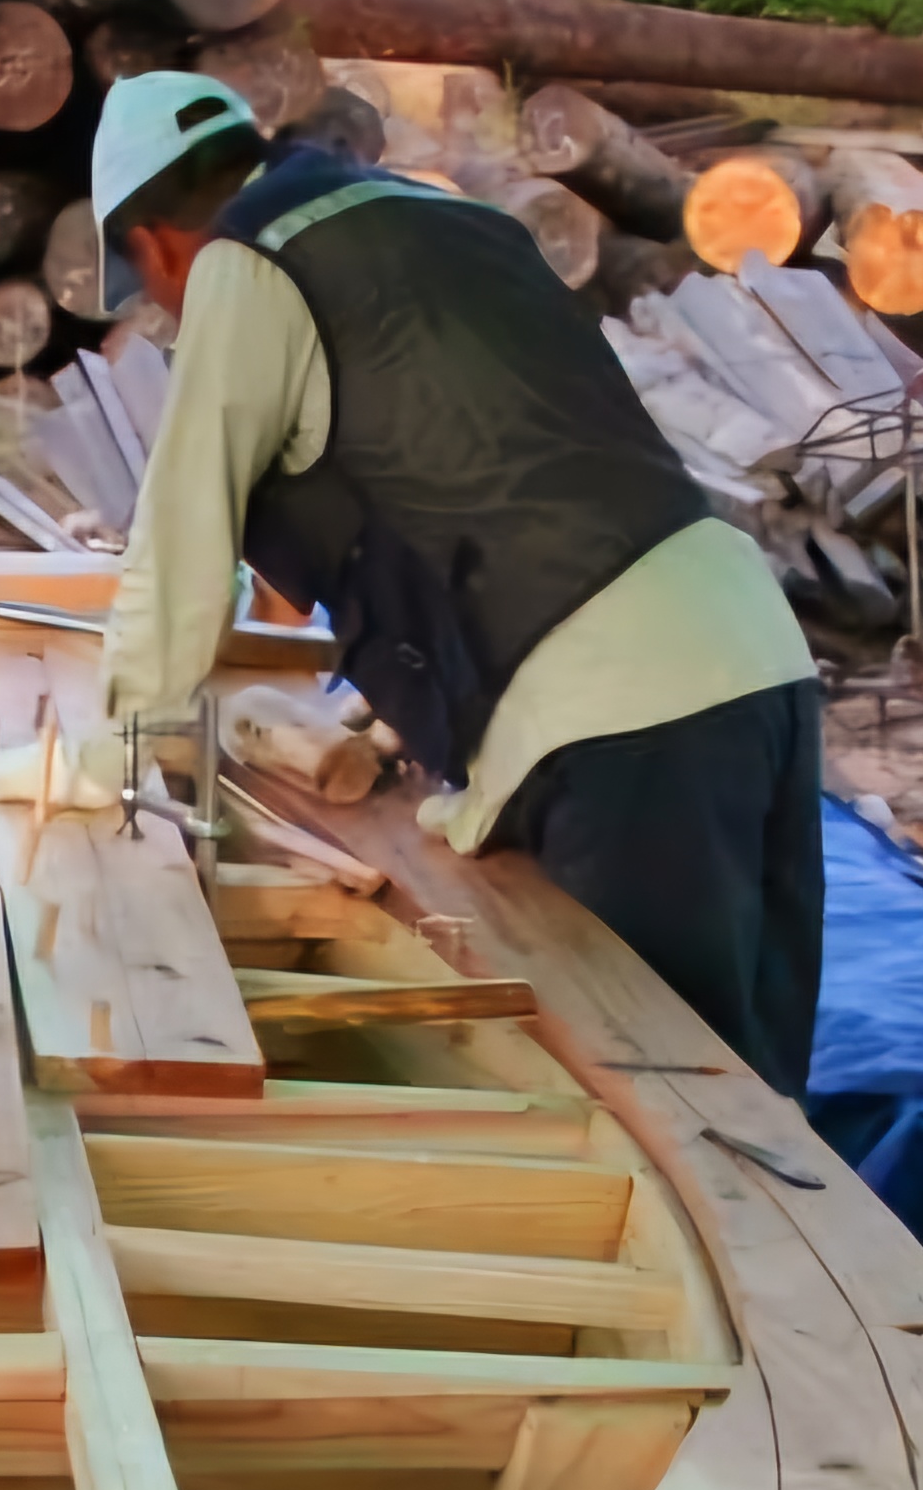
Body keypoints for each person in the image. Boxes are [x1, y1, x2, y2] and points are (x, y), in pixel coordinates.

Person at [87, 71, 829, 1099]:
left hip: (622, 715)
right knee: (764, 1111)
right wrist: (419, 701)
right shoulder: (447, 219)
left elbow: (181, 541)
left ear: (154, 244)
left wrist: (119, 766)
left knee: (669, 1109)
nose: (164, 309)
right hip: (753, 653)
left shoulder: (245, 263)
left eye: (147, 285)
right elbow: (505, 474)